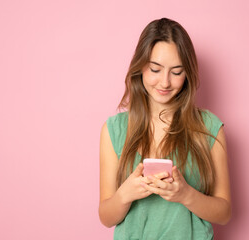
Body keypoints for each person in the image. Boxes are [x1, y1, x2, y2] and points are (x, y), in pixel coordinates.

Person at [98, 17, 231, 239]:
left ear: (188, 73)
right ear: (140, 66)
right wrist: (125, 195)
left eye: (177, 72)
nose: (165, 82)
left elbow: (224, 213)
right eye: (155, 69)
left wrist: (186, 194)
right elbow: (106, 216)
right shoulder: (113, 130)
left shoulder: (209, 127)